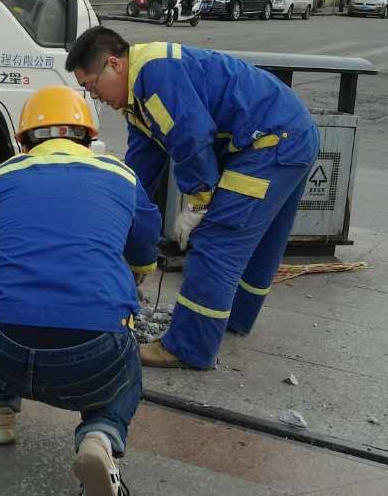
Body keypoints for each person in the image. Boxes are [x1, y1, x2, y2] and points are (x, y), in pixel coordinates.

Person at [0, 86, 160, 496]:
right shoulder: (120, 176)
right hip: (93, 349)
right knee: (127, 365)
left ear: (22, 142)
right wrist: (140, 268)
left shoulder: (2, 176)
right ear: (89, 139)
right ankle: (101, 435)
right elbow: (145, 242)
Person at [67, 27, 320, 369]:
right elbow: (144, 164)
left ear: (114, 64)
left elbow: (191, 136)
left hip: (269, 143)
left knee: (216, 240)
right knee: (262, 242)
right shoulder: (137, 95)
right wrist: (125, 219)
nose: (94, 97)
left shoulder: (155, 74)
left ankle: (187, 347)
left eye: (92, 86)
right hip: (289, 134)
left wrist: (199, 200)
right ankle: (232, 319)